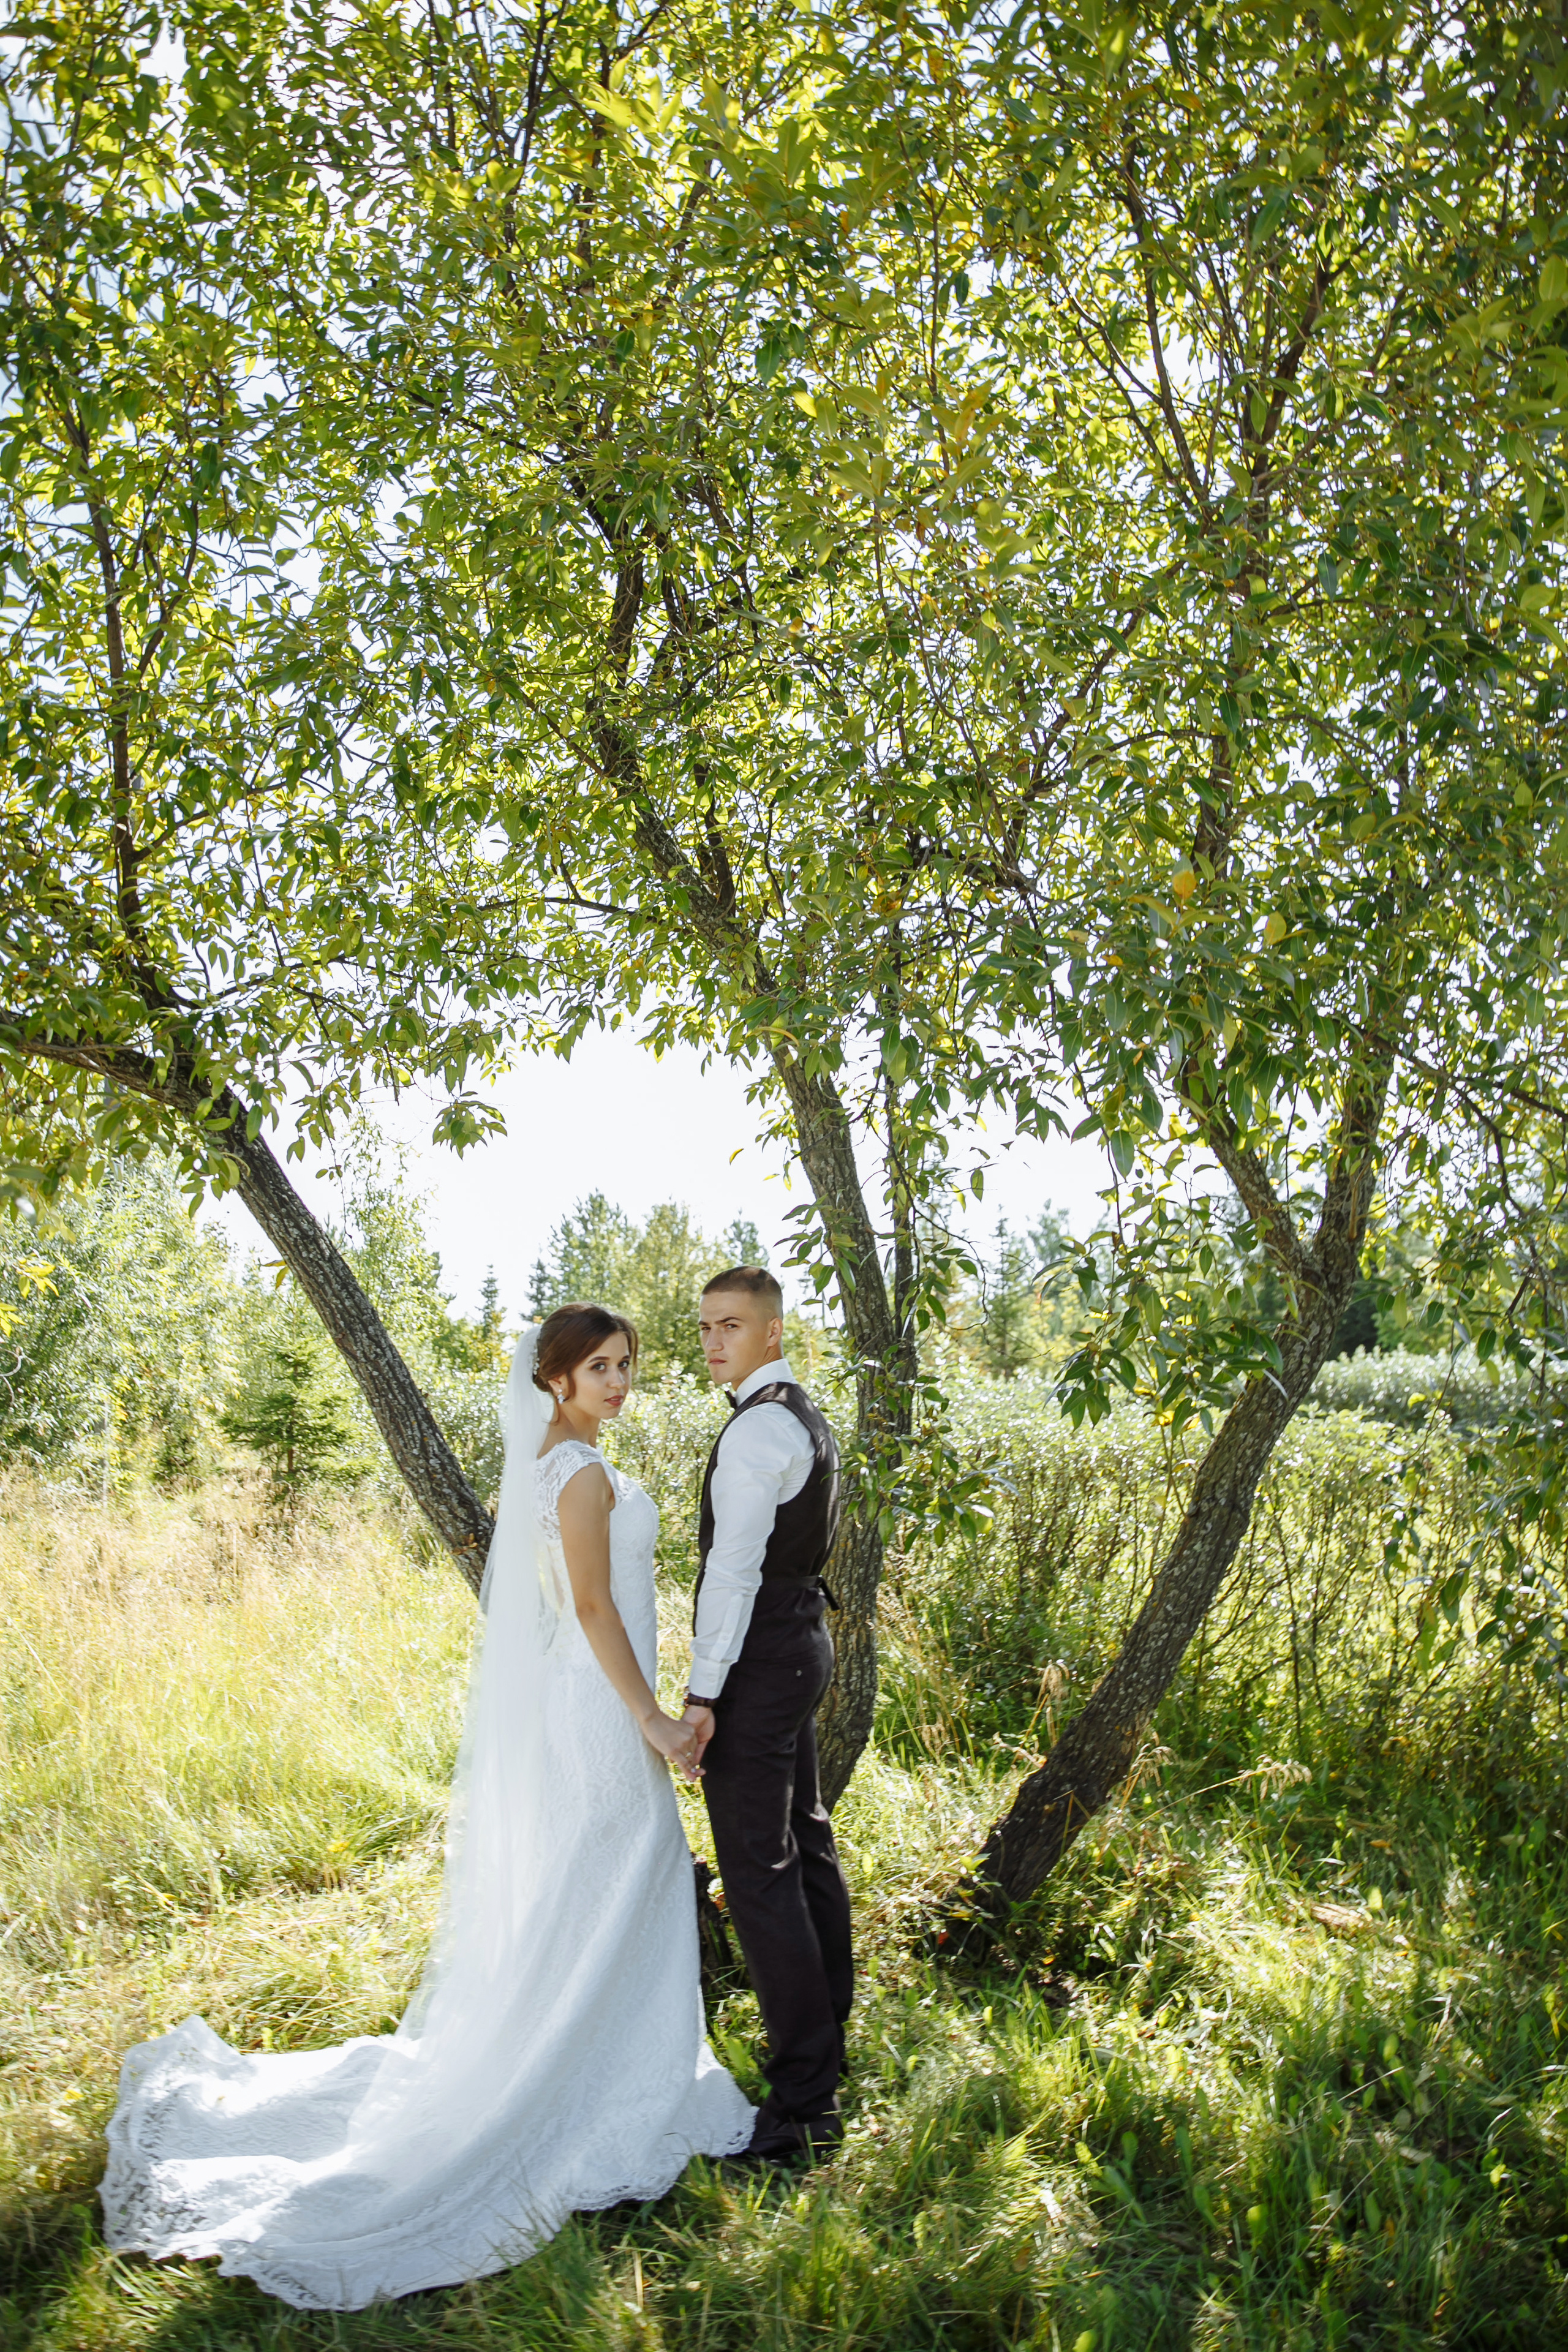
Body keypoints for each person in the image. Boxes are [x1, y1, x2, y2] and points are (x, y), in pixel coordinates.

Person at [99, 1306, 752, 2311]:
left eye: (626, 1366)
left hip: (590, 1699)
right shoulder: (576, 1475)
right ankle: (583, 2086)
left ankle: (602, 2065)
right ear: (555, 1381)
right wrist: (658, 1723)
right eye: (599, 1368)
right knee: (631, 1875)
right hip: (602, 1706)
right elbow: (590, 1608)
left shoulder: (556, 1462)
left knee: (602, 1887)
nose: (619, 1383)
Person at [681, 1267, 854, 2166]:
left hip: (762, 1651)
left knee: (759, 1868)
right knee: (804, 1837)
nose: (715, 1341)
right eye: (707, 1326)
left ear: (775, 1332)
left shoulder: (757, 1434)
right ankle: (830, 2043)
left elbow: (733, 1573)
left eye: (734, 1326)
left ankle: (803, 2107)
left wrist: (704, 1692)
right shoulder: (801, 1413)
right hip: (802, 1641)